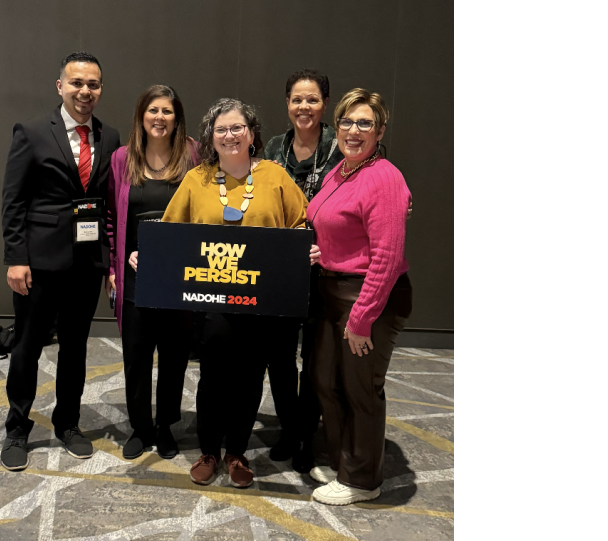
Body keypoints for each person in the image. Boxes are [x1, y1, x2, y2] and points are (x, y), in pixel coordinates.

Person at [138, 98, 308, 488]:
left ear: (252, 133)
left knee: (249, 378)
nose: (229, 136)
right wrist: (144, 254)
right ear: (210, 138)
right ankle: (209, 451)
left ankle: (236, 452)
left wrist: (306, 248)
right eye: (221, 130)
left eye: (237, 128)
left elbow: (300, 223)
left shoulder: (275, 176)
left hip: (261, 302)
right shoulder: (196, 179)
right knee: (213, 377)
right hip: (211, 301)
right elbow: (172, 232)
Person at [0, 52, 122, 471]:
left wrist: (109, 262)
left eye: (93, 84)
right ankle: (17, 427)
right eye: (77, 83)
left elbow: (108, 203)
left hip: (85, 265)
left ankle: (67, 423)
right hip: (38, 263)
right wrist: (16, 258)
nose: (85, 91)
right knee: (27, 348)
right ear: (60, 86)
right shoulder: (32, 132)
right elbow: (13, 201)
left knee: (74, 348)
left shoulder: (110, 136)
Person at [306, 88, 412, 505]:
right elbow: (333, 226)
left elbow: (387, 256)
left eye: (364, 123)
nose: (353, 130)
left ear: (380, 130)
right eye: (346, 122)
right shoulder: (342, 170)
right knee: (325, 379)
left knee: (361, 388)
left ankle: (362, 479)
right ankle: (343, 461)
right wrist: (320, 250)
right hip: (333, 289)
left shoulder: (383, 177)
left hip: (367, 295)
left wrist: (362, 317)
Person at [105, 85, 198, 460]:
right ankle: (141, 428)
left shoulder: (192, 155)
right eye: (153, 110)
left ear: (177, 118)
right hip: (135, 275)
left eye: (167, 111)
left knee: (174, 356)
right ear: (141, 116)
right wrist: (114, 265)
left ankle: (165, 427)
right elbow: (111, 217)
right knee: (137, 356)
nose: (160, 118)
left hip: (178, 277)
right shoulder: (121, 158)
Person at [261, 69, 343, 472]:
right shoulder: (274, 147)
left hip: (325, 267)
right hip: (281, 267)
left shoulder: (341, 146)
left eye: (312, 100)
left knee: (314, 358)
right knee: (278, 356)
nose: (303, 107)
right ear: (287, 104)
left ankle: (307, 433)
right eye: (297, 100)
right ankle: (289, 428)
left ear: (325, 104)